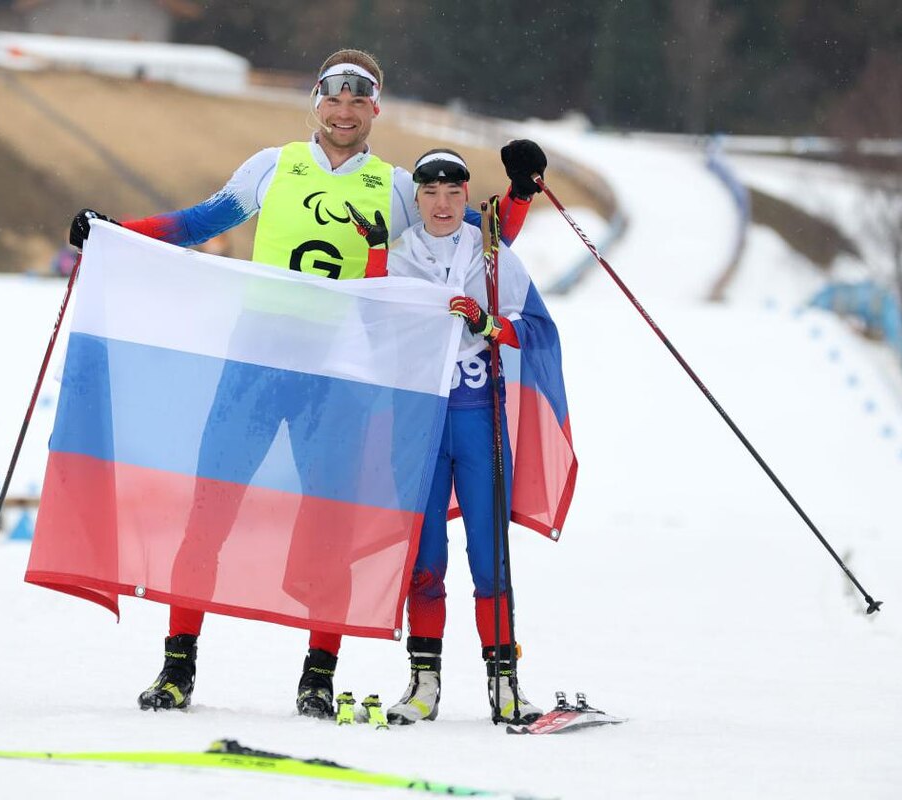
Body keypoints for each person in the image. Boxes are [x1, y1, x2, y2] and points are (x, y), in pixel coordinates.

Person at [67, 48, 547, 719]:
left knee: (330, 531)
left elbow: (474, 229)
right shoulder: (272, 165)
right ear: (316, 102)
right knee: (209, 515)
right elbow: (201, 224)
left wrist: (522, 190)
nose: (344, 112)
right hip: (255, 369)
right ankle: (177, 667)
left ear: (374, 108)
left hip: (339, 379)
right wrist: (117, 233)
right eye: (333, 98)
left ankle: (317, 677)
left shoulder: (399, 186)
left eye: (359, 101)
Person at [351, 147, 566, 725]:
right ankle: (423, 686)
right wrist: (373, 256)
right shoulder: (397, 255)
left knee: (490, 555)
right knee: (425, 559)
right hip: (418, 421)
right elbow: (373, 323)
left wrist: (489, 326)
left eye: (452, 193)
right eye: (430, 194)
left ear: (466, 197)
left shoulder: (492, 256)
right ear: (416, 199)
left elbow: (538, 331)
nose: (442, 205)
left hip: (477, 415)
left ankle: (505, 686)